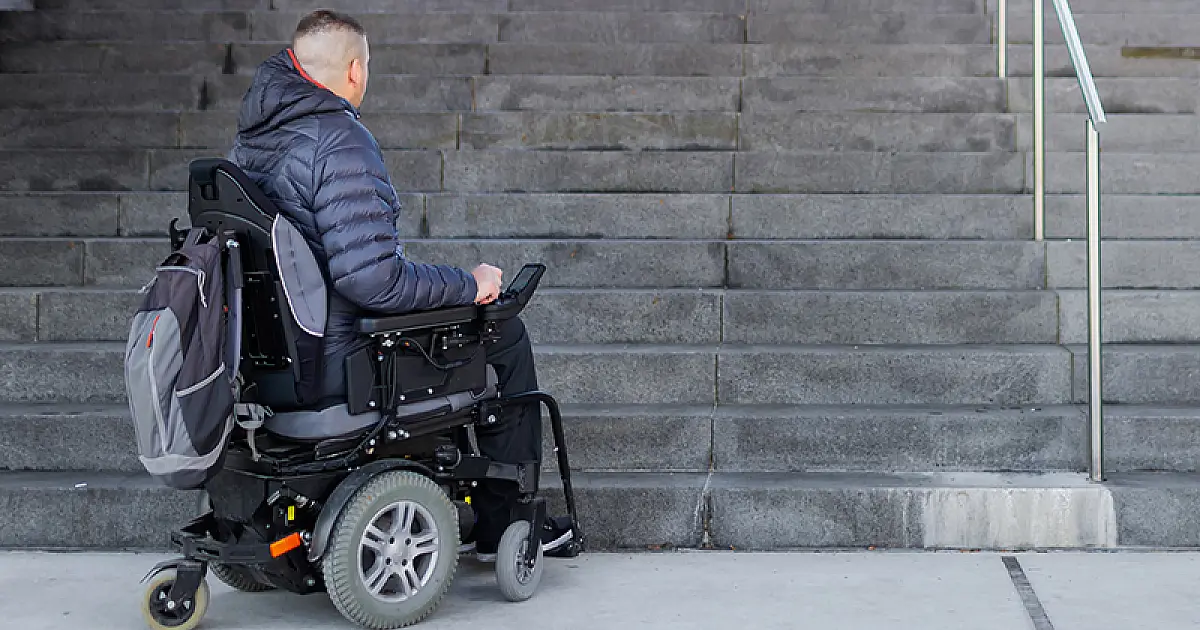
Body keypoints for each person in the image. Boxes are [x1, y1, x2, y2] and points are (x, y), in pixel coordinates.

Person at [228, 9, 573, 561]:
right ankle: (506, 524)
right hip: (339, 361)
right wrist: (469, 285)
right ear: (354, 69)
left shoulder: (251, 141)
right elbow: (371, 281)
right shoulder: (338, 141)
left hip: (271, 363)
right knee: (502, 333)